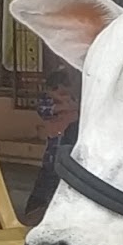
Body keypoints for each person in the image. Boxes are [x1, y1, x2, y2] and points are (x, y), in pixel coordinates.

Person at [23, 69, 79, 225]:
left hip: (70, 149)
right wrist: (67, 105)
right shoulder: (48, 101)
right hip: (53, 152)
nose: (65, 94)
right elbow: (46, 111)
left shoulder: (72, 101)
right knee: (45, 185)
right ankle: (33, 214)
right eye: (61, 91)